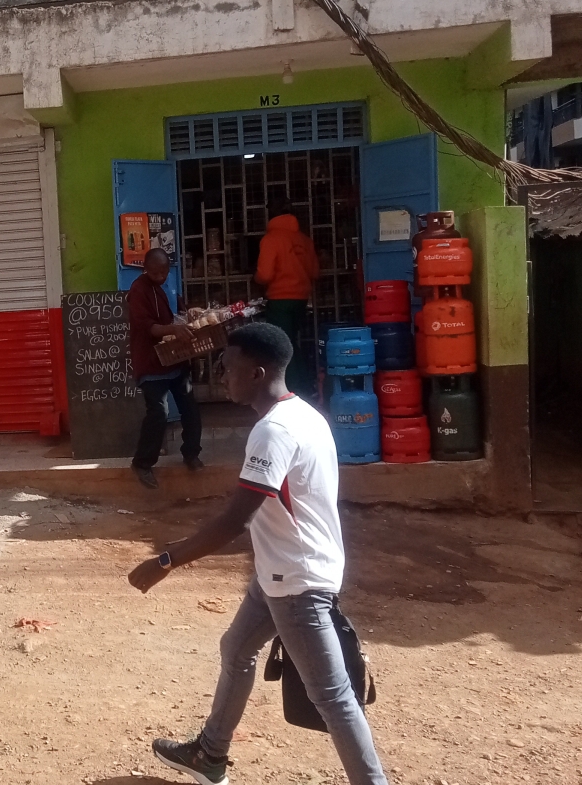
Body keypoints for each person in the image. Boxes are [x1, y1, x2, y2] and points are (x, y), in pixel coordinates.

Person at [128, 322, 387, 785]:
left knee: (333, 698)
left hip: (296, 580)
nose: (221, 373)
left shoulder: (275, 431)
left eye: (228, 366)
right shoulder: (305, 414)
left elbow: (234, 521)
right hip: (281, 571)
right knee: (237, 648)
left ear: (257, 372)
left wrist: (166, 560)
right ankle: (209, 754)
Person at [127, 248, 203, 490]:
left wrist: (190, 314)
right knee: (158, 412)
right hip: (151, 362)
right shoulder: (138, 291)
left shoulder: (168, 286)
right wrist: (173, 330)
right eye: (155, 273)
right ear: (145, 270)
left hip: (176, 359)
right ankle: (142, 462)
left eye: (164, 272)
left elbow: (177, 313)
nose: (160, 277)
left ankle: (191, 453)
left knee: (190, 408)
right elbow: (146, 327)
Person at [255, 198, 318, 396]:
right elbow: (314, 271)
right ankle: (305, 385)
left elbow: (265, 274)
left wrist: (255, 278)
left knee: (282, 344)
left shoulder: (271, 239)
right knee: (291, 341)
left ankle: (295, 388)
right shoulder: (304, 240)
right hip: (301, 299)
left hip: (280, 299)